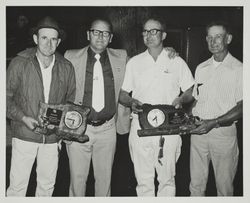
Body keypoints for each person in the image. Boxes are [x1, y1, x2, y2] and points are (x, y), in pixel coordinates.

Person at [119, 17, 194, 196]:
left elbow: (190, 90)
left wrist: (181, 99)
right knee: (143, 181)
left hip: (169, 127)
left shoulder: (176, 61)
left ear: (164, 35)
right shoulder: (134, 62)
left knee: (167, 180)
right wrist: (131, 102)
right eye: (145, 31)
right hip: (140, 126)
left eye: (154, 31)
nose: (149, 35)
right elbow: (122, 95)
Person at [6, 16, 76, 196]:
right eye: (44, 38)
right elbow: (5, 98)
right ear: (36, 39)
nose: (49, 43)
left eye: (53, 39)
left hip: (52, 139)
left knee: (46, 187)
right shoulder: (19, 63)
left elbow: (69, 101)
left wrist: (66, 129)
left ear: (59, 41)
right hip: (25, 135)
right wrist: (22, 118)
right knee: (17, 188)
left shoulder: (66, 67)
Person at [64, 18, 131, 196]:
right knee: (77, 180)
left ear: (111, 38)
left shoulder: (122, 57)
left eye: (105, 33)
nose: (100, 36)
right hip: (79, 128)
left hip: (108, 128)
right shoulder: (70, 56)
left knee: (104, 180)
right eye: (96, 32)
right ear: (88, 34)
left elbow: (144, 65)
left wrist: (166, 52)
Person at [187, 21, 243, 196]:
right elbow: (196, 100)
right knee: (196, 185)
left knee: (224, 188)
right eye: (210, 37)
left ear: (228, 38)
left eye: (218, 36)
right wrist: (187, 119)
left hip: (223, 135)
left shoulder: (240, 69)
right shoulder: (201, 68)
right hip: (198, 134)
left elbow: (243, 107)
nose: (213, 41)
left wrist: (214, 122)